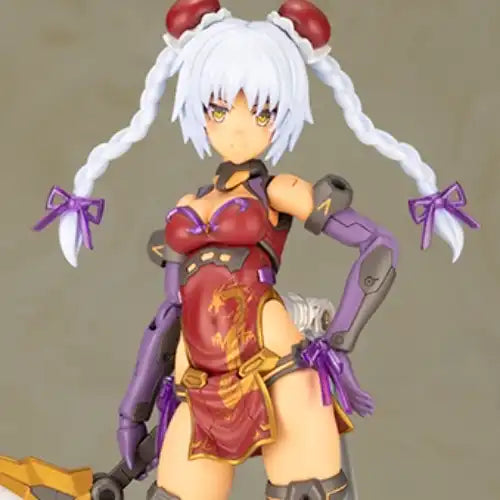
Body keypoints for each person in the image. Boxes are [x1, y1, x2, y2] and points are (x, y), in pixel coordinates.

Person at [33, 1, 479, 499]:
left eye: (262, 110)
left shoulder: (277, 191)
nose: (238, 126)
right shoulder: (186, 206)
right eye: (218, 108)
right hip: (198, 385)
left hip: (277, 369)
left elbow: (377, 246)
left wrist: (338, 342)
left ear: (280, 114)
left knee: (305, 491)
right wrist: (133, 414)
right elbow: (170, 314)